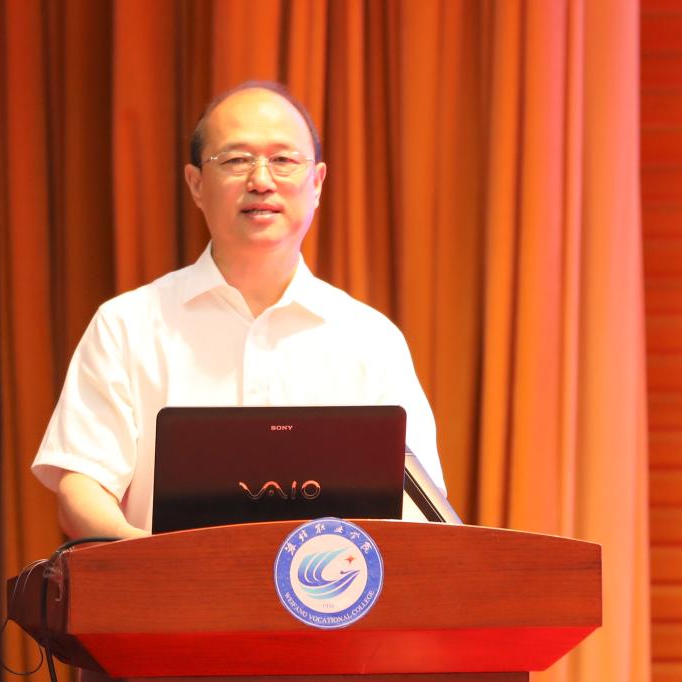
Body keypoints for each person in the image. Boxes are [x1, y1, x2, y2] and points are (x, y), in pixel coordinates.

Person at [31, 81, 445, 543]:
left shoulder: (369, 339)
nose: (261, 180)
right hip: (170, 588)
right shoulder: (127, 326)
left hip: (335, 589)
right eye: (235, 160)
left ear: (317, 183)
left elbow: (419, 510)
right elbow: (82, 486)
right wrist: (158, 562)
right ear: (196, 185)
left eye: (284, 160)